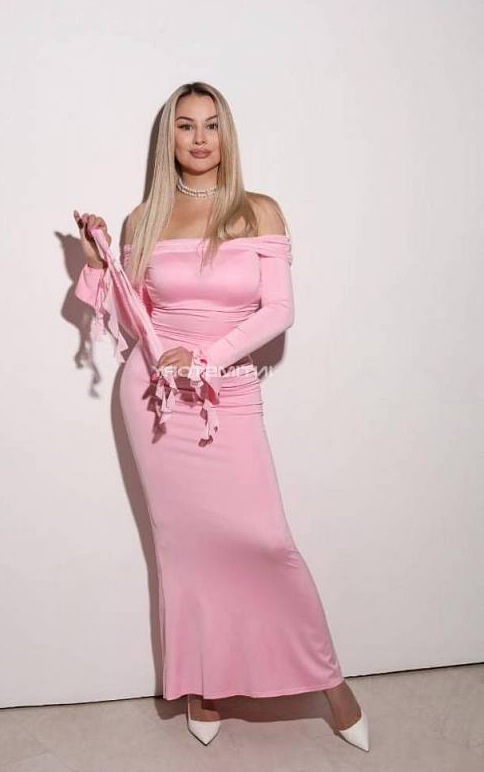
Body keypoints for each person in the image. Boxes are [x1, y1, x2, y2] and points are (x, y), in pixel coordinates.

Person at [72, 81, 370, 752]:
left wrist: (206, 357)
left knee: (266, 541)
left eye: (211, 125)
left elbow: (278, 311)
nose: (200, 138)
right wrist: (100, 266)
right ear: (169, 138)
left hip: (226, 392)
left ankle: (331, 683)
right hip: (156, 400)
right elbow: (134, 323)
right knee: (182, 549)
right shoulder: (143, 218)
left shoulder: (257, 210)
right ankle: (200, 685)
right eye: (186, 125)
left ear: (226, 134)